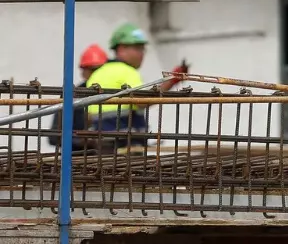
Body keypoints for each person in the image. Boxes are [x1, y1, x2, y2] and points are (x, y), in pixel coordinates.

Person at [85, 23, 188, 153]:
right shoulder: (127, 71)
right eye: (138, 48)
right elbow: (142, 101)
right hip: (127, 144)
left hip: (102, 145)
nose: (142, 54)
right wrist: (172, 80)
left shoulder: (97, 73)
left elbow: (89, 116)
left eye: (143, 49)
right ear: (122, 48)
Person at [47, 43, 107, 150]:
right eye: (93, 70)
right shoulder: (72, 95)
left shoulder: (113, 95)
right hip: (79, 157)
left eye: (99, 71)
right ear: (83, 72)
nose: (97, 75)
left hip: (108, 154)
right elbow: (54, 136)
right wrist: (81, 141)